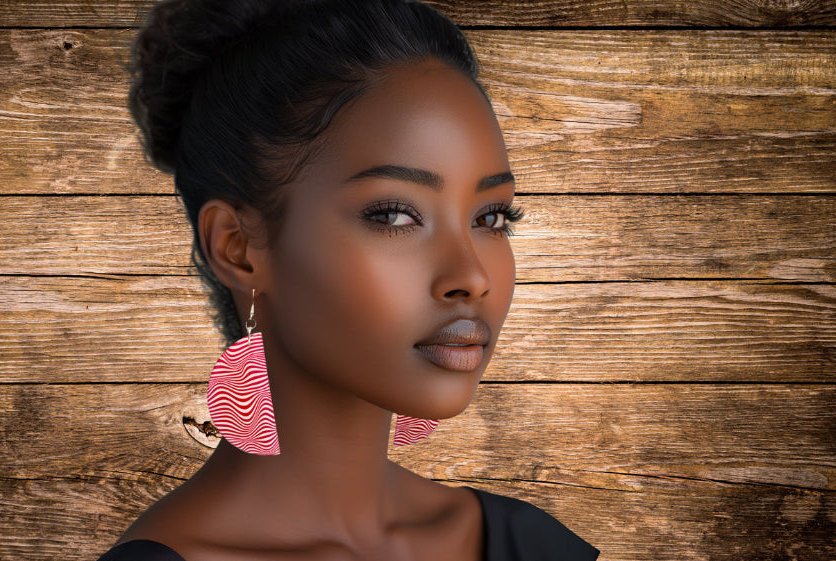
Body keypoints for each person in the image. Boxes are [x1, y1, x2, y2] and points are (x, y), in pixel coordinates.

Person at [99, 0, 599, 559]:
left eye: (490, 218)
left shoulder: (529, 545)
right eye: (393, 216)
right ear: (238, 250)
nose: (472, 277)